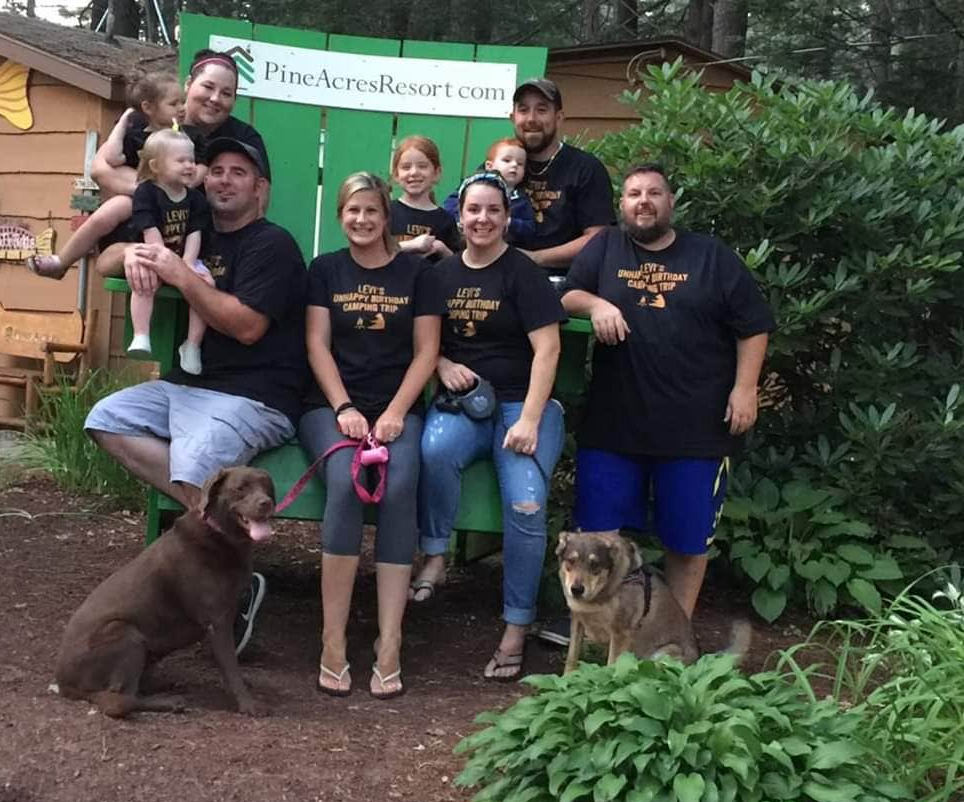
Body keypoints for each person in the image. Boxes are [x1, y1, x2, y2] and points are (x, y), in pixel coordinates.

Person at [85, 137, 306, 655]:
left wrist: (180, 274)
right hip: (191, 388)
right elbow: (102, 260)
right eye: (218, 171)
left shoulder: (272, 245)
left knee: (194, 462)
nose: (224, 180)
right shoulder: (192, 232)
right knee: (105, 416)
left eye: (239, 173)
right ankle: (233, 562)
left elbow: (247, 326)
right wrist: (133, 254)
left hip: (256, 396)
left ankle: (228, 574)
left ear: (261, 189)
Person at [555, 162, 775, 643]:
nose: (643, 201)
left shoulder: (710, 256)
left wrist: (746, 387)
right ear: (622, 204)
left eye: (654, 192)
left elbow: (754, 325)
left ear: (670, 202)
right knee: (598, 536)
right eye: (633, 193)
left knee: (687, 543)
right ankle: (603, 643)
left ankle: (673, 641)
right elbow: (567, 294)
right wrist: (597, 304)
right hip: (614, 425)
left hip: (696, 427)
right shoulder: (605, 247)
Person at [414, 172, 566, 682]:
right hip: (464, 403)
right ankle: (434, 554)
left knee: (526, 502)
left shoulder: (521, 273)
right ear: (459, 217)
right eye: (473, 210)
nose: (482, 219)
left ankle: (515, 627)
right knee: (433, 449)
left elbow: (549, 348)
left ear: (506, 218)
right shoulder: (440, 276)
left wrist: (528, 418)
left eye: (493, 211)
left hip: (522, 406)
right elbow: (424, 344)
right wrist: (441, 366)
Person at [301, 172, 445, 699]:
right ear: (340, 216)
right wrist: (343, 407)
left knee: (401, 478)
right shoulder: (325, 270)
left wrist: (394, 413)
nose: (361, 220)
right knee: (345, 479)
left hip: (397, 410)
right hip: (329, 406)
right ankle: (333, 641)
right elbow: (317, 345)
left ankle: (390, 641)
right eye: (351, 211)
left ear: (388, 217)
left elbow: (427, 352)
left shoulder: (417, 275)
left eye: (371, 211)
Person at [29, 50, 270, 280]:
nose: (215, 98)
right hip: (138, 229)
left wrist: (155, 187)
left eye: (227, 93)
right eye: (208, 87)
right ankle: (62, 261)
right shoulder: (146, 120)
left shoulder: (241, 138)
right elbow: (101, 169)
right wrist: (155, 192)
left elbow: (257, 202)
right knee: (113, 219)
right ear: (189, 85)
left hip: (197, 237)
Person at [27, 69, 187, 279]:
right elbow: (112, 159)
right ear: (148, 107)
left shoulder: (182, 136)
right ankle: (62, 261)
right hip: (138, 198)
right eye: (174, 104)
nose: (182, 109)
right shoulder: (137, 133)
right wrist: (122, 124)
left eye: (182, 102)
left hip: (171, 200)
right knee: (109, 211)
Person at [509, 77, 616, 276]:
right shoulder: (499, 165)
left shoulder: (585, 168)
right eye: (523, 110)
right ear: (513, 118)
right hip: (505, 277)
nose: (531, 119)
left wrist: (536, 258)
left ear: (559, 118)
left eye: (541, 110)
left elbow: (599, 237)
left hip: (566, 282)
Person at [126, 129, 212, 374]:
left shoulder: (196, 199)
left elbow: (195, 233)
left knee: (206, 283)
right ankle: (141, 333)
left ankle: (192, 344)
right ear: (156, 165)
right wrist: (162, 261)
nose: (190, 166)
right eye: (181, 160)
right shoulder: (146, 193)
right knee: (143, 279)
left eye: (192, 160)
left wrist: (186, 265)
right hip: (154, 252)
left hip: (185, 258)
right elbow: (149, 229)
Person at [442, 137, 536, 247]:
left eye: (520, 164)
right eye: (507, 160)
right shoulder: (474, 186)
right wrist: (462, 219)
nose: (514, 165)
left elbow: (530, 229)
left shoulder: (522, 199)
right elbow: (449, 205)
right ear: (489, 166)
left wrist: (509, 222)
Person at [388, 136, 459, 261]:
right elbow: (373, 250)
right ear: (396, 175)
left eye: (422, 166)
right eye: (406, 167)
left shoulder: (445, 220)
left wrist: (441, 248)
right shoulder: (386, 211)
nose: (414, 172)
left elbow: (458, 266)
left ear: (437, 173)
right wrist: (411, 245)